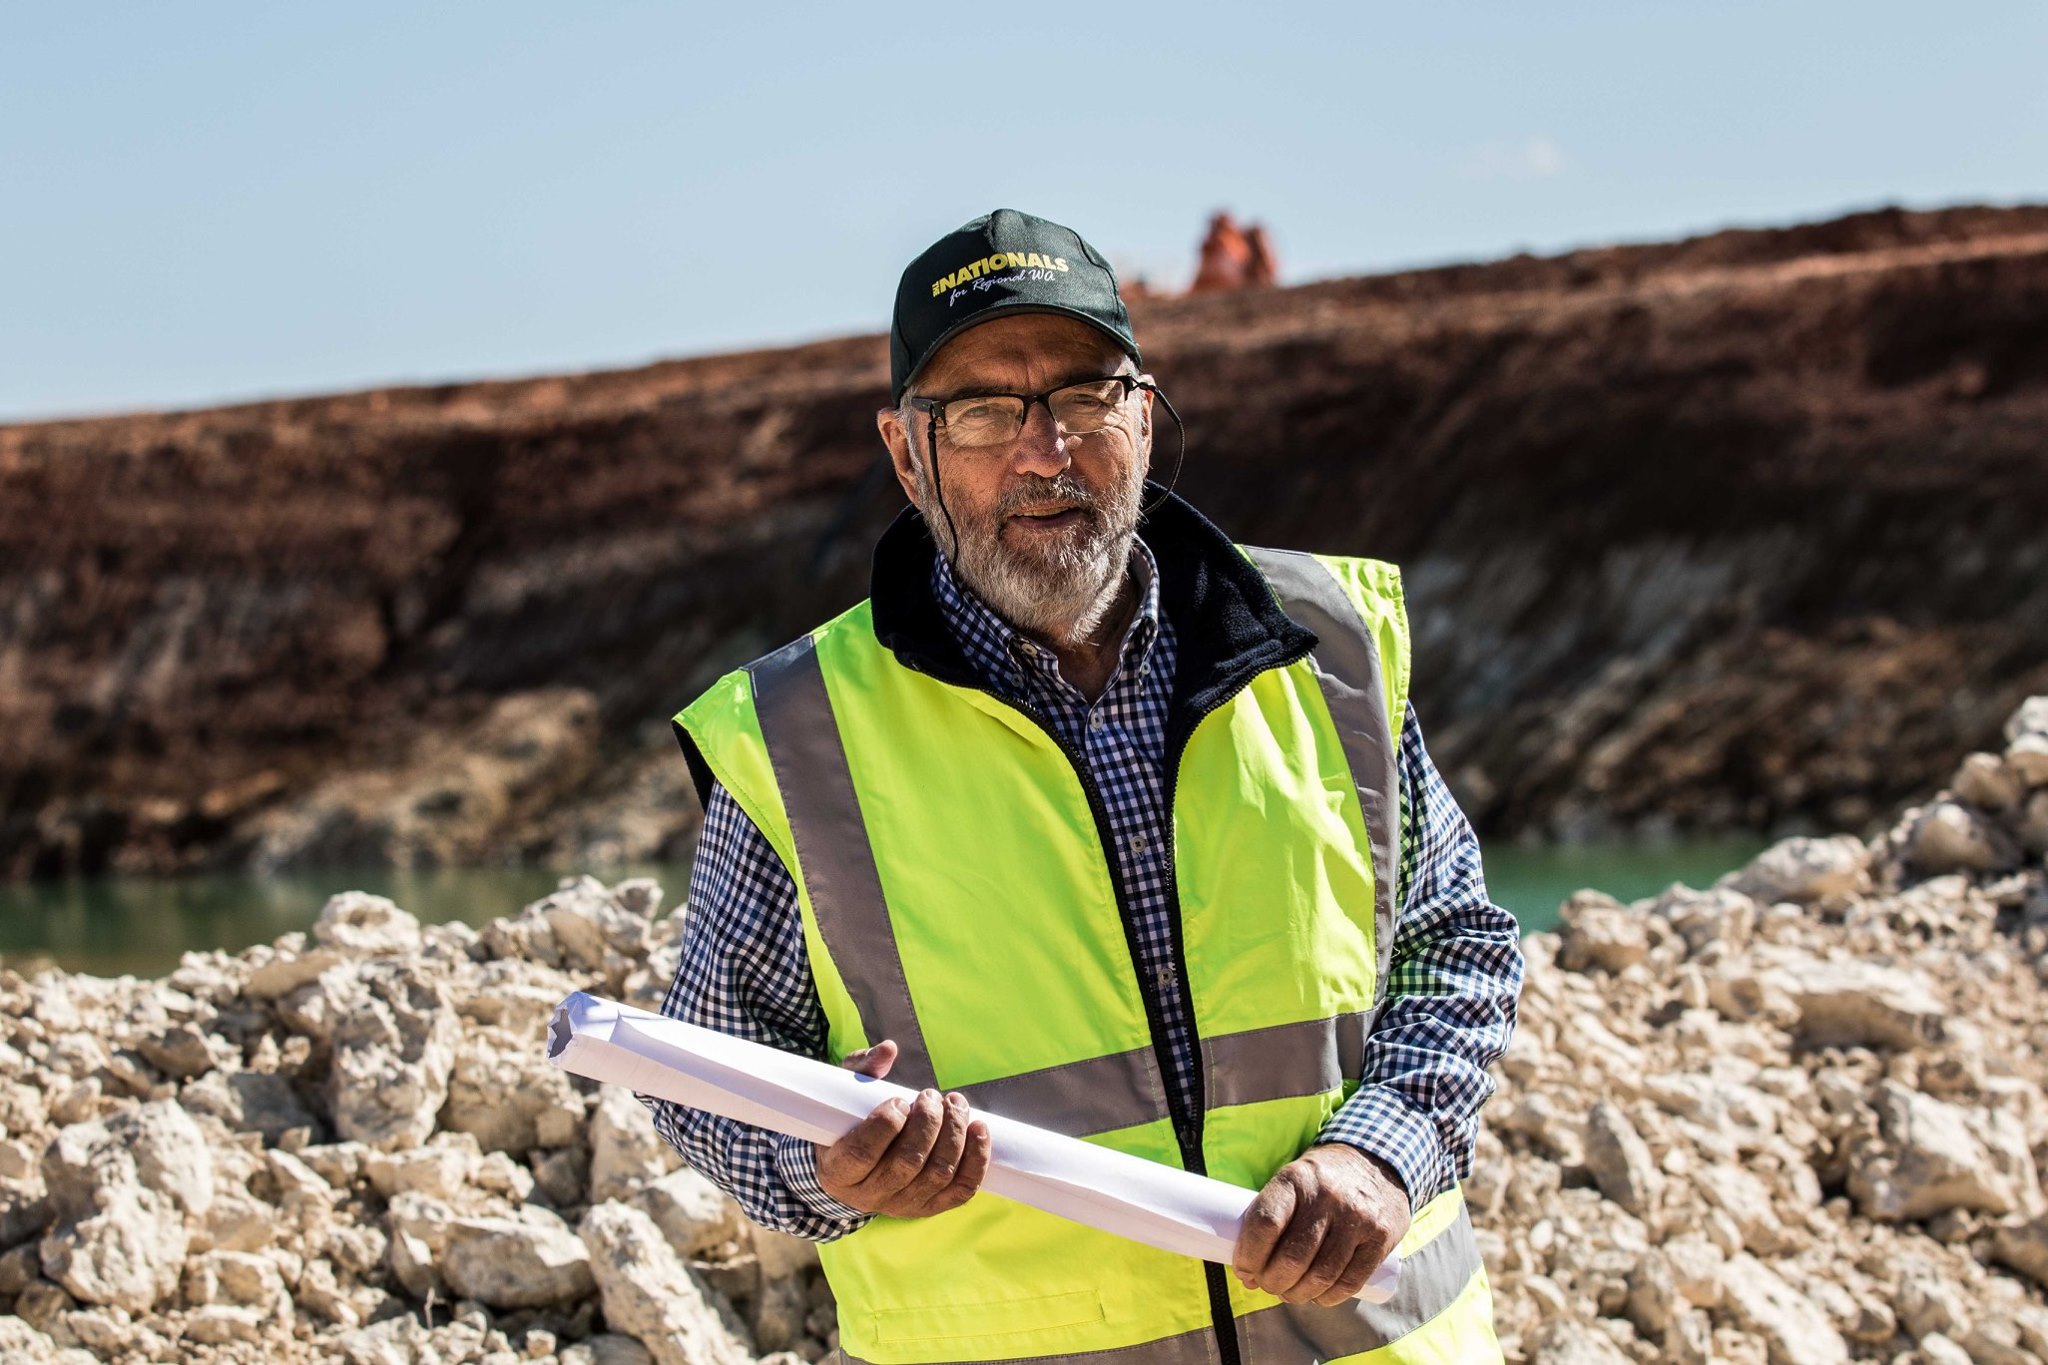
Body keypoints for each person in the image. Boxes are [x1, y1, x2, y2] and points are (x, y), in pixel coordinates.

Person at [641, 208, 1523, 1363]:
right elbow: (708, 1079)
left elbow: (1452, 943)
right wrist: (825, 1165)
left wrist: (1383, 1146)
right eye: (981, 411)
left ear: (1144, 420)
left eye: (1083, 397)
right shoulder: (798, 734)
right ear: (907, 454)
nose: (1042, 450)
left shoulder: (1328, 646)